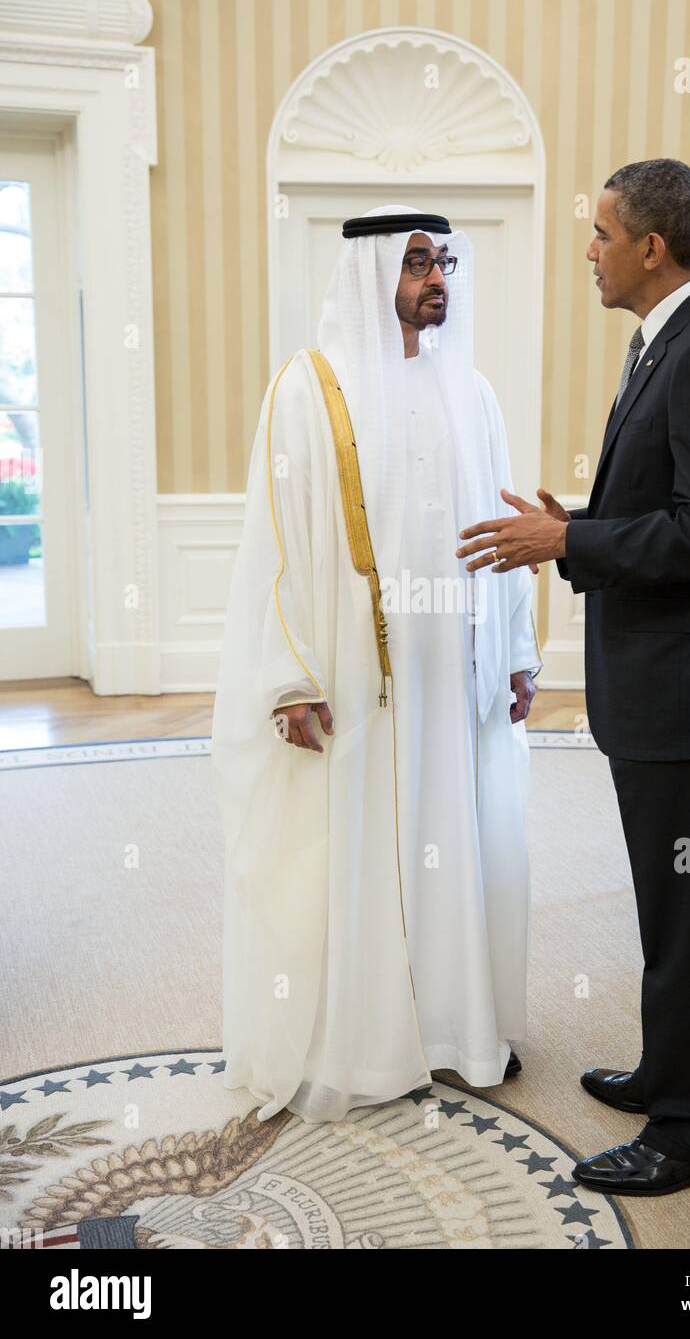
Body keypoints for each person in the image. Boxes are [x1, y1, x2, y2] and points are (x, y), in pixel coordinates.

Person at [456, 159, 690, 1196]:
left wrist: (567, 542)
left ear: (649, 246)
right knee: (664, 907)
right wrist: (578, 525)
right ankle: (670, 1071)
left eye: (598, 233)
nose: (586, 251)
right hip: (659, 689)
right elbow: (669, 506)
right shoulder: (663, 344)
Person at [211, 204, 542, 1124]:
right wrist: (289, 675)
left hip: (456, 675)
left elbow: (504, 534)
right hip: (360, 675)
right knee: (361, 844)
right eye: (416, 265)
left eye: (441, 264)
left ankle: (451, 1025)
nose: (435, 280)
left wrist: (518, 652)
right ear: (372, 275)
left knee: (455, 837)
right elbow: (273, 546)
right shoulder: (310, 390)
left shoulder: (471, 393)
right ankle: (363, 1038)